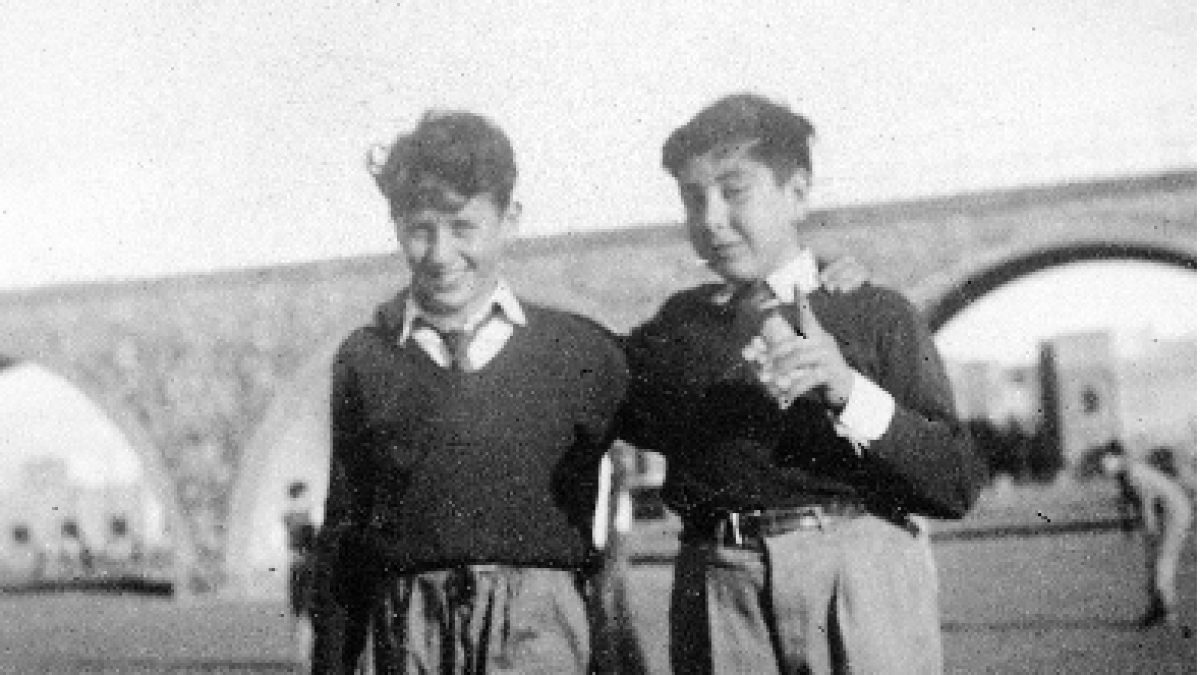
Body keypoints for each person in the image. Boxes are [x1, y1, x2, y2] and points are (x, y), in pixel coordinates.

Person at [619, 93, 987, 674]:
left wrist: (847, 390)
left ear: (797, 192)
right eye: (693, 198)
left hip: (859, 577)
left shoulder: (875, 314)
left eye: (735, 191)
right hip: (720, 590)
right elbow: (597, 390)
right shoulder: (679, 326)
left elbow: (955, 482)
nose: (711, 219)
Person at [309, 109, 630, 674]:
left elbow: (694, 428)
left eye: (463, 227)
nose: (440, 254)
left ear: (510, 220)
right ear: (396, 226)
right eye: (420, 229)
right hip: (409, 632)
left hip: (539, 630)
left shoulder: (579, 351)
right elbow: (345, 534)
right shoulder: (366, 359)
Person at [1101, 444, 1193, 633]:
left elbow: (1146, 508)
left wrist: (1150, 535)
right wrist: (1127, 525)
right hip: (1166, 512)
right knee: (1153, 562)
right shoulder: (1124, 475)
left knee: (1162, 561)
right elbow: (1124, 501)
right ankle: (1156, 610)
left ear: (1119, 458)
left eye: (1108, 459)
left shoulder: (1135, 475)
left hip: (1176, 513)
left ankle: (1168, 614)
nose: (1105, 465)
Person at [283, 481, 318, 667]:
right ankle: (303, 653)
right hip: (305, 567)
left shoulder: (293, 516)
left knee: (300, 612)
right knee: (306, 611)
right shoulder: (301, 517)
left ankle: (301, 653)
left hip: (299, 566)